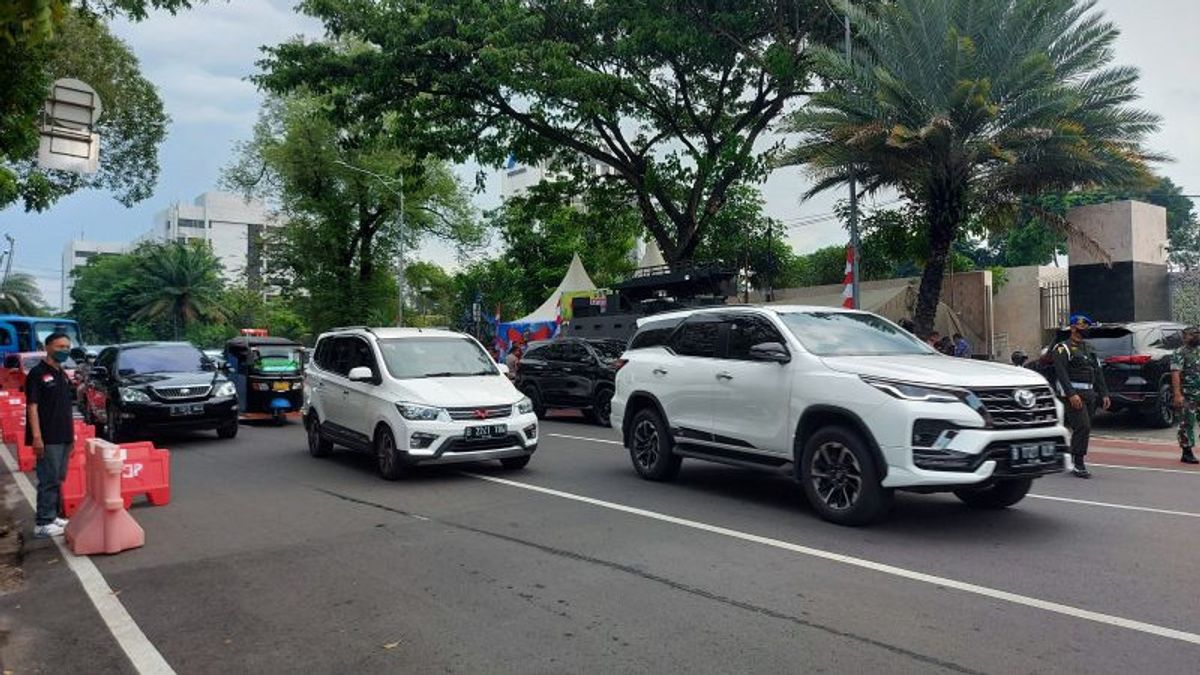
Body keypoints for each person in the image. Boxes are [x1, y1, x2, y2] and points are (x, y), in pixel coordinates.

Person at [27, 332, 76, 538]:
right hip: (48, 436)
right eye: (59, 347)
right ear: (47, 347)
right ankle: (43, 522)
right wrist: (37, 437)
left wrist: (71, 437)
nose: (64, 350)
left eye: (66, 347)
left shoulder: (62, 374)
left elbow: (66, 407)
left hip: (64, 435)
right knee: (48, 478)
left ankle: (53, 515)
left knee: (58, 477)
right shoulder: (37, 374)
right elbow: (32, 407)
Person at [1052, 314, 1110, 478]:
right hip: (1074, 396)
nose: (1085, 329)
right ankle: (1078, 463)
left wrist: (1104, 393)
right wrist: (1071, 394)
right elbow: (1061, 374)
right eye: (1082, 326)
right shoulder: (1063, 348)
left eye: (1086, 327)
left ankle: (1071, 455)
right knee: (1082, 426)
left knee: (1084, 428)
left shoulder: (1089, 349)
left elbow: (1098, 372)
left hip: (1089, 394)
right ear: (1072, 328)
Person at [1170, 326, 1200, 464]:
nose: (1196, 336)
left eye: (1198, 334)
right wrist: (1177, 394)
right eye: (1192, 334)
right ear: (1184, 336)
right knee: (1187, 423)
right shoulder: (1180, 352)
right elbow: (1175, 373)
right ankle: (1186, 452)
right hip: (1188, 394)